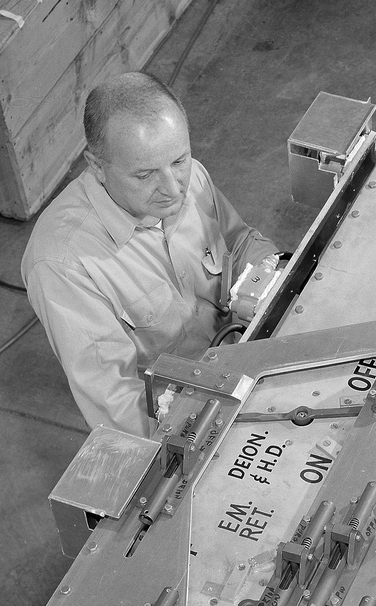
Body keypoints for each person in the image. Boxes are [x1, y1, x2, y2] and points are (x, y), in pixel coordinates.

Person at [22, 72, 277, 436]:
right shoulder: (63, 264)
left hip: (247, 355)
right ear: (96, 166)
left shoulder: (187, 178)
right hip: (188, 414)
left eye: (179, 160)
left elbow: (240, 241)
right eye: (144, 176)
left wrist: (275, 276)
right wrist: (200, 436)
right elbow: (116, 403)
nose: (173, 189)